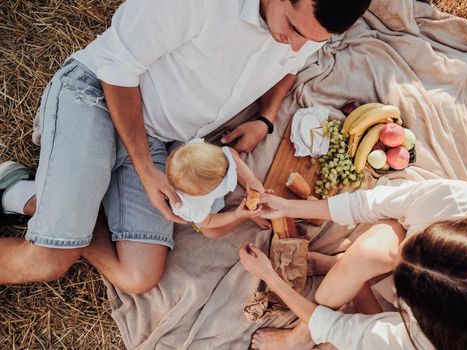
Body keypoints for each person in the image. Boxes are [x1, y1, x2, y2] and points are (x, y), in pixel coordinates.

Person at [0, 0, 372, 293]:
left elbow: (292, 64)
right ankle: (56, 210)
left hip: (161, 140)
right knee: (50, 259)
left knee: (139, 275)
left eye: (311, 40)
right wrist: (145, 169)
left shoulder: (302, 34)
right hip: (97, 97)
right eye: (292, 27)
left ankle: (33, 194)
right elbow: (115, 66)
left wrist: (266, 117)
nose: (296, 45)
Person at [239, 179, 467, 350]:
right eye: (410, 244)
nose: (392, 258)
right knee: (366, 253)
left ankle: (299, 339)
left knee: (357, 278)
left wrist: (270, 277)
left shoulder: (421, 342)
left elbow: (339, 328)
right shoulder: (456, 201)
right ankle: (341, 274)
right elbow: (373, 203)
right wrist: (290, 207)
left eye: (397, 274)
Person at [165, 141, 270, 237]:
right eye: (222, 180)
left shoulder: (198, 153)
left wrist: (250, 179)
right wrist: (236, 215)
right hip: (205, 211)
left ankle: (248, 187)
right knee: (211, 232)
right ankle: (247, 215)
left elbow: (229, 156)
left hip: (205, 177)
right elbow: (209, 221)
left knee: (231, 152)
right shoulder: (191, 207)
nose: (226, 173)